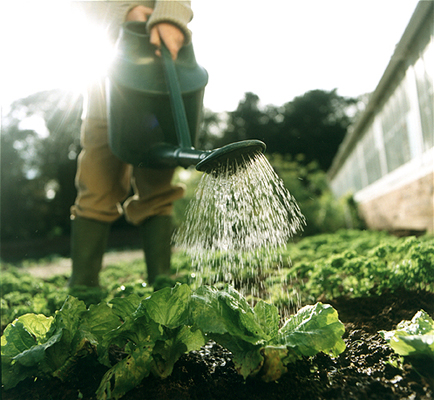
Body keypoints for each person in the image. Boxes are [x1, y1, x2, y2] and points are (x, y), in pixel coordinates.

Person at [69, 1, 193, 288]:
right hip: (103, 84)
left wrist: (171, 18)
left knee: (157, 186)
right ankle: (83, 285)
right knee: (96, 184)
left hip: (157, 79)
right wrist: (124, 11)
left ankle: (161, 280)